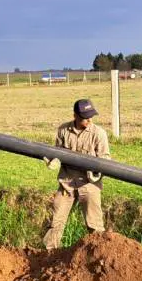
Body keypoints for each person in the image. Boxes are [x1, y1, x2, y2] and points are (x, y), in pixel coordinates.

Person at [42, 98, 111, 249]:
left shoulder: (99, 133)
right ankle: (49, 254)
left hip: (89, 184)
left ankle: (99, 253)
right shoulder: (63, 130)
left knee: (95, 225)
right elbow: (57, 152)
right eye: (85, 117)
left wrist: (95, 172)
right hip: (67, 183)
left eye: (91, 116)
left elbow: (105, 160)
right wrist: (54, 161)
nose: (89, 119)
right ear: (75, 116)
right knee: (55, 222)